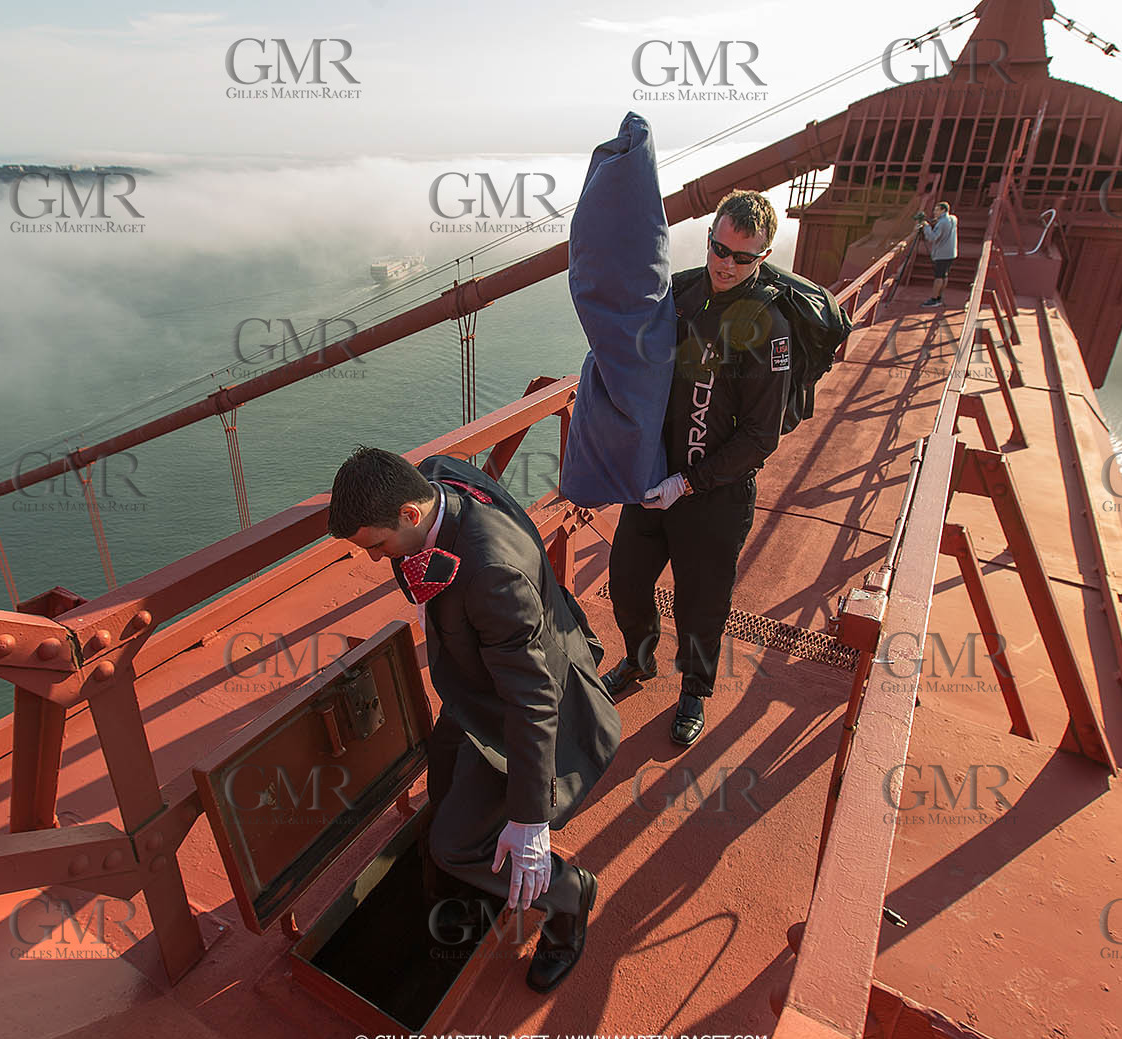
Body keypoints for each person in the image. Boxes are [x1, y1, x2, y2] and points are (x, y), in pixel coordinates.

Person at [327, 447, 621, 993]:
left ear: (410, 516)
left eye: (377, 546)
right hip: (476, 689)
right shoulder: (438, 475)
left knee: (455, 845)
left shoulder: (490, 575)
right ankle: (477, 871)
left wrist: (531, 821)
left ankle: (568, 897)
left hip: (525, 710)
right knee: (443, 780)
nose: (374, 559)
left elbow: (533, 700)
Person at [600, 189, 792, 746]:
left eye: (741, 257)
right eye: (718, 248)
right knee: (628, 583)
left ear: (763, 257)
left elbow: (762, 435)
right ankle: (638, 661)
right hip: (653, 479)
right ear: (709, 238)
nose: (725, 265)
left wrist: (689, 482)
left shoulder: (768, 326)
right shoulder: (680, 292)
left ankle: (693, 692)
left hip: (713, 494)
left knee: (700, 603)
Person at [918, 202, 958, 307]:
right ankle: (939, 297)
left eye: (937, 210)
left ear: (943, 210)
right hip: (951, 252)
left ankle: (934, 299)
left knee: (938, 277)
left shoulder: (942, 223)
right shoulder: (953, 218)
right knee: (944, 275)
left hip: (942, 253)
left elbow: (932, 237)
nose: (934, 212)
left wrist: (926, 227)